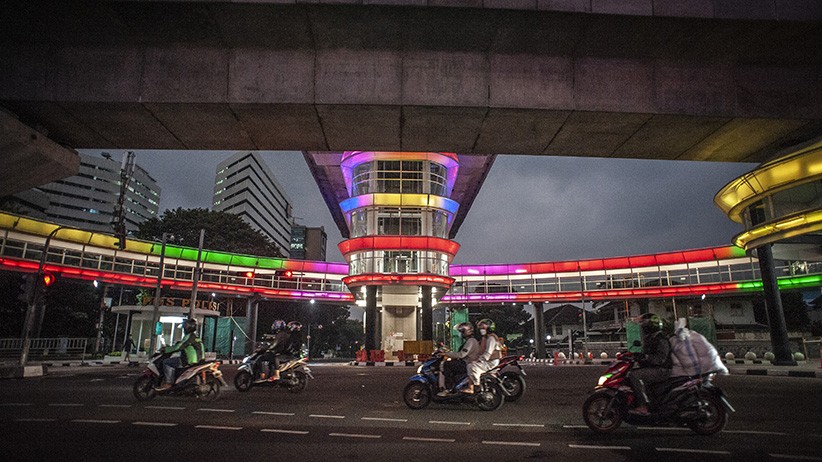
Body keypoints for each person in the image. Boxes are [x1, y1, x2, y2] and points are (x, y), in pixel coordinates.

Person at [627, 313, 673, 415]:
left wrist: (646, 357)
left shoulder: (660, 339)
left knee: (635, 376)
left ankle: (643, 406)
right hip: (656, 368)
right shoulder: (651, 338)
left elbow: (661, 359)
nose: (642, 327)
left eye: (644, 325)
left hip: (662, 369)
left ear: (650, 326)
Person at [156, 318, 205, 391]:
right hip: (200, 360)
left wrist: (166, 349)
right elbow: (182, 345)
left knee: (166, 362)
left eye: (184, 327)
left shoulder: (188, 337)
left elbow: (179, 346)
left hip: (189, 360)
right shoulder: (195, 337)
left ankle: (168, 383)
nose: (183, 329)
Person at [437, 322, 480, 397]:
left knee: (447, 365)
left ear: (466, 332)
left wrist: (446, 354)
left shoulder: (471, 341)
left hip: (466, 363)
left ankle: (448, 389)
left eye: (461, 332)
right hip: (466, 362)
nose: (460, 334)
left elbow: (461, 354)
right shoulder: (470, 341)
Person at [465, 318, 502, 394]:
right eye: (480, 328)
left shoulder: (491, 338)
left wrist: (479, 360)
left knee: (471, 366)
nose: (481, 330)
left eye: (483, 328)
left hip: (491, 361)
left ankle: (475, 386)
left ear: (489, 328)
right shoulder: (487, 338)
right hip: (491, 361)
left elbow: (487, 353)